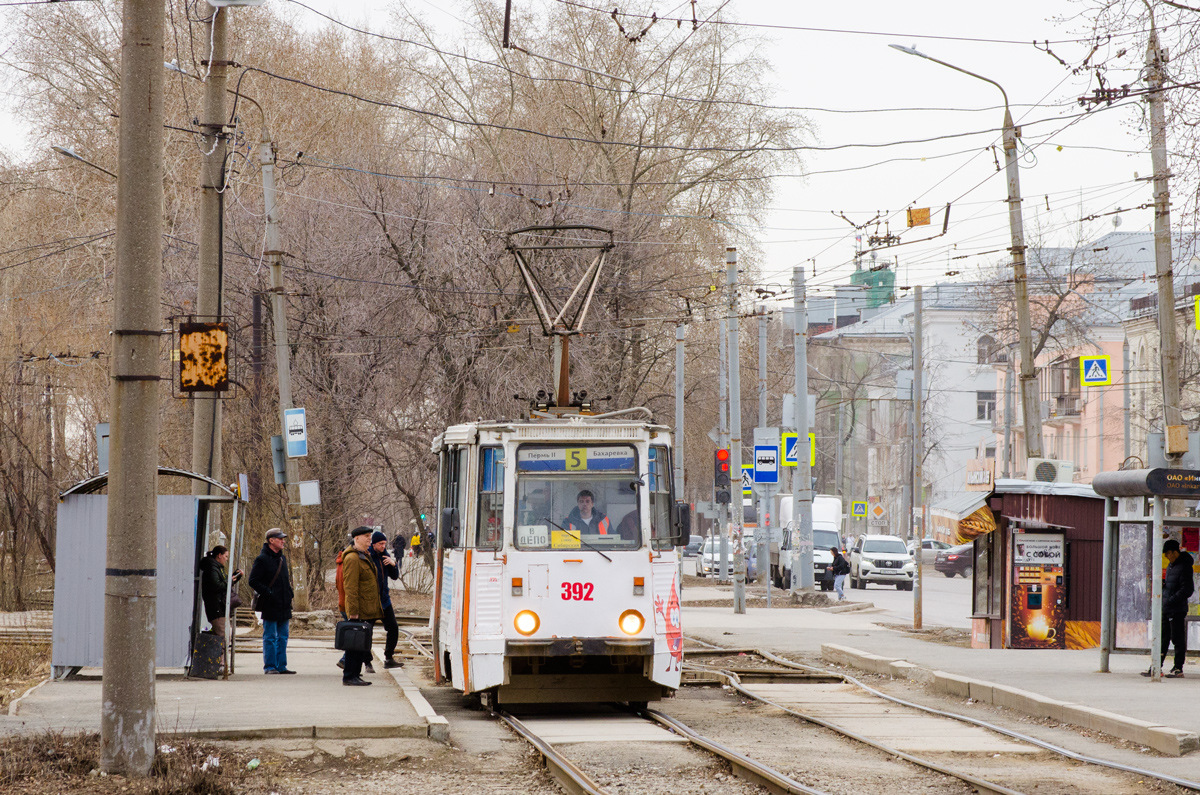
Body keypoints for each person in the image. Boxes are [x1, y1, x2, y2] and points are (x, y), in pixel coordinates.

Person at [1144, 539, 1195, 678]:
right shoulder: (1172, 566)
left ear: (1174, 552)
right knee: (1163, 638)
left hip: (1177, 609)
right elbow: (1173, 585)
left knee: (1177, 638)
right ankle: (1156, 666)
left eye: (1168, 554)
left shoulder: (1185, 566)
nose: (1167, 556)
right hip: (1166, 608)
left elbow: (1188, 589)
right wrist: (1164, 586)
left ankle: (1178, 668)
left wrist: (1172, 599)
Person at [249, 528, 296, 675]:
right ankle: (270, 666)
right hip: (270, 604)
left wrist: (289, 594)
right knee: (270, 636)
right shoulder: (262, 559)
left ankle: (281, 666)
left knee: (283, 636)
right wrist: (269, 593)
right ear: (271, 540)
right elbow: (253, 581)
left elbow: (285, 581)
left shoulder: (282, 558)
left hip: (284, 603)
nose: (283, 541)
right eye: (280, 538)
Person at [341, 525, 383, 686]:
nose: (369, 539)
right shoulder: (352, 558)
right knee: (355, 644)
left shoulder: (364, 556)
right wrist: (353, 612)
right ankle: (349, 675)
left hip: (367, 609)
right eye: (366, 536)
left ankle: (355, 674)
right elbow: (350, 587)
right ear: (356, 538)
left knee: (361, 644)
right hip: (360, 610)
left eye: (370, 536)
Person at [370, 530, 403, 669]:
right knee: (366, 631)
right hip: (371, 601)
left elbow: (394, 577)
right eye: (380, 544)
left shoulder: (385, 556)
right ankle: (367, 661)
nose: (383, 546)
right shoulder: (368, 556)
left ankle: (389, 657)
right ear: (374, 544)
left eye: (384, 543)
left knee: (393, 628)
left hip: (384, 599)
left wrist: (393, 564)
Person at [199, 545, 242, 638]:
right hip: (217, 608)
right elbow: (217, 586)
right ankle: (220, 653)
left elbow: (224, 582)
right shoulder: (212, 568)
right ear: (219, 555)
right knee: (223, 637)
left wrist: (235, 577)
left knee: (224, 636)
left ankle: (220, 652)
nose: (226, 559)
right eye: (226, 556)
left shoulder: (217, 568)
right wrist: (229, 581)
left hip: (219, 607)